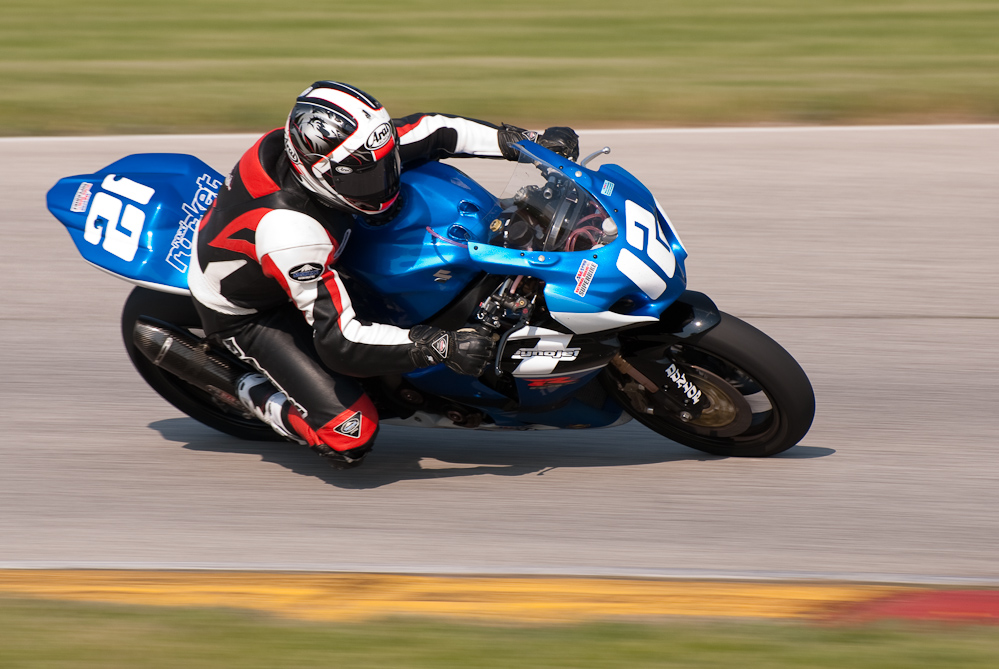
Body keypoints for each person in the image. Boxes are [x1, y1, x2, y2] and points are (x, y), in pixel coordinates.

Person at [189, 80, 579, 469]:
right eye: (362, 179)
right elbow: (339, 341)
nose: (382, 183)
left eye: (386, 164)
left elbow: (434, 130)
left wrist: (525, 143)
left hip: (313, 258)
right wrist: (442, 346)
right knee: (350, 434)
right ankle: (246, 390)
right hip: (253, 312)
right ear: (318, 174)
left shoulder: (352, 149)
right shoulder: (292, 233)